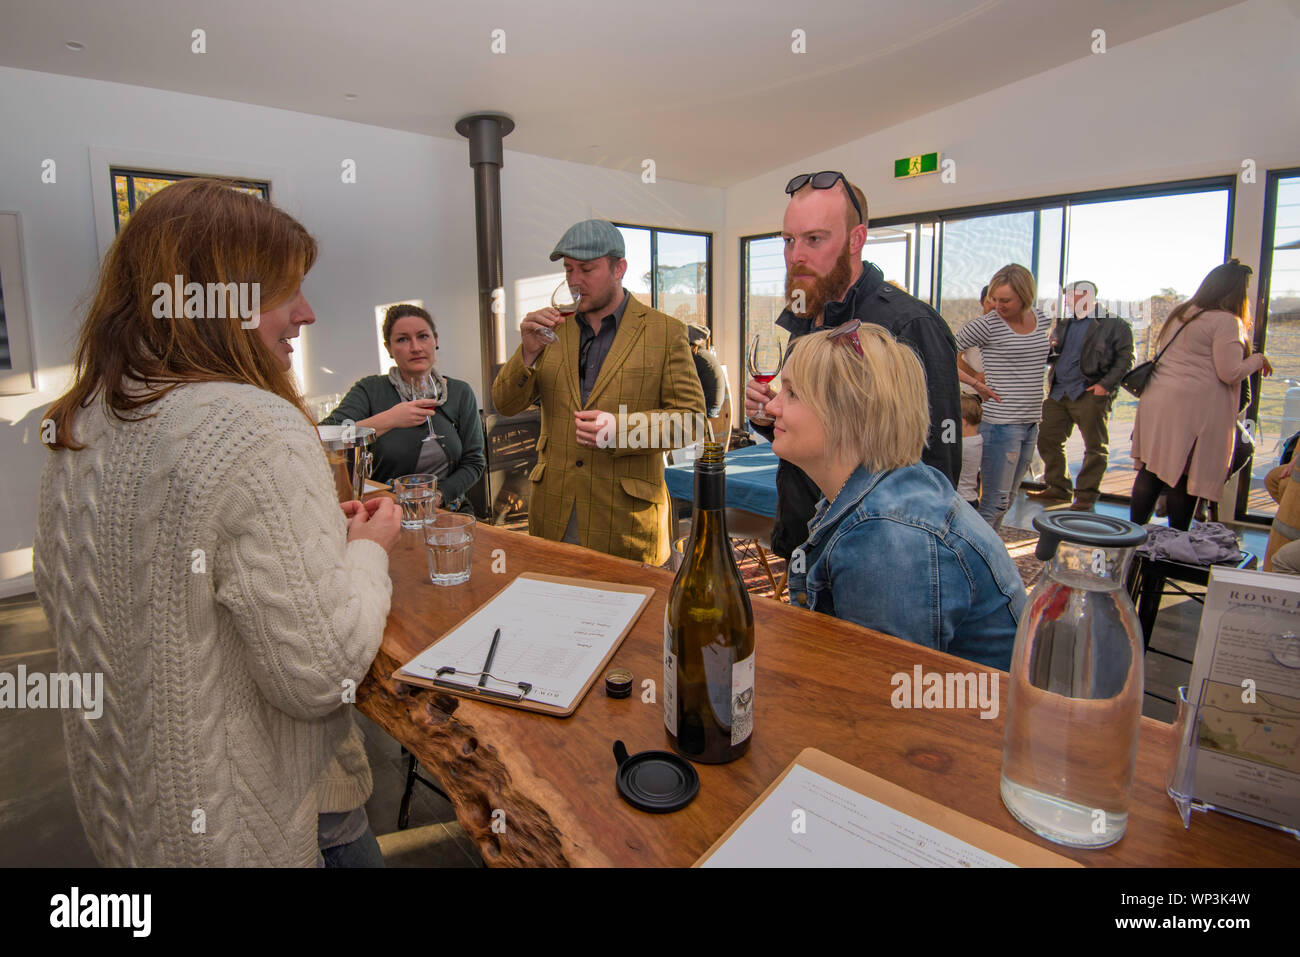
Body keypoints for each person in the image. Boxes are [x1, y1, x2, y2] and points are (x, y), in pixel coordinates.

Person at [32, 178, 402, 867]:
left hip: (134, 817)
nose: (307, 313)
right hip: (253, 828)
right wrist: (367, 550)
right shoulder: (253, 424)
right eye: (286, 291)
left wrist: (310, 532)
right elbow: (321, 671)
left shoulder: (82, 422)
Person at [767, 322, 1023, 671]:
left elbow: (884, 705)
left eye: (792, 393)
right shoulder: (886, 492)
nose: (772, 408)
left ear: (848, 413)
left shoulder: (885, 538)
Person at [744, 171, 962, 560]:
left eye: (814, 239)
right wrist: (769, 414)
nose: (797, 256)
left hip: (872, 556)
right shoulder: (806, 313)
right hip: (803, 542)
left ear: (855, 240)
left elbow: (937, 473)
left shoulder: (909, 327)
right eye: (789, 241)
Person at [492, 219, 706, 564]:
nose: (574, 281)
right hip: (554, 514)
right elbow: (505, 403)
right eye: (568, 269)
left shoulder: (665, 332)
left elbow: (692, 423)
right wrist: (527, 353)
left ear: (619, 268)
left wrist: (622, 430)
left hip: (628, 522)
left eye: (587, 269)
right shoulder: (550, 331)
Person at [1129, 260, 1272, 530]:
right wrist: (1257, 359)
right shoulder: (1227, 321)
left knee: (1152, 469)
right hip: (1192, 410)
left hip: (1158, 401)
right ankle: (1176, 544)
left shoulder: (1184, 312)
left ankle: (1130, 538)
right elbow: (1229, 372)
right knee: (1187, 475)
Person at [321, 304, 485, 510]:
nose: (415, 347)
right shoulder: (370, 389)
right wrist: (390, 419)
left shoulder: (460, 393)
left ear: (436, 341)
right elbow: (325, 436)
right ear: (389, 348)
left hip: (450, 510)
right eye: (402, 339)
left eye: (423, 336)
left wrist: (437, 496)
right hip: (387, 511)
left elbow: (474, 462)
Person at [955, 263, 1052, 530]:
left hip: (1031, 420)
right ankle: (975, 556)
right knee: (995, 501)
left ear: (1025, 295)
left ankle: (988, 551)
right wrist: (976, 382)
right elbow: (944, 352)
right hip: (1000, 423)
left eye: (1005, 300)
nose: (998, 305)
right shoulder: (986, 326)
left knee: (1008, 498)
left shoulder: (1042, 319)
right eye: (993, 299)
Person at [1029, 280, 1134, 511]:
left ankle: (1086, 496)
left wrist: (1104, 386)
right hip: (1058, 392)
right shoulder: (1064, 324)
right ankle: (1058, 487)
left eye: (1070, 297)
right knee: (1047, 437)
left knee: (1095, 446)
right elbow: (1054, 354)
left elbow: (1126, 360)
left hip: (1090, 392)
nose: (1066, 302)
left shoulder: (1114, 325)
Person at [959, 393, 984, 509]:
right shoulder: (978, 440)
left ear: (963, 422)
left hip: (961, 501)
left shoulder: (964, 445)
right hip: (971, 498)